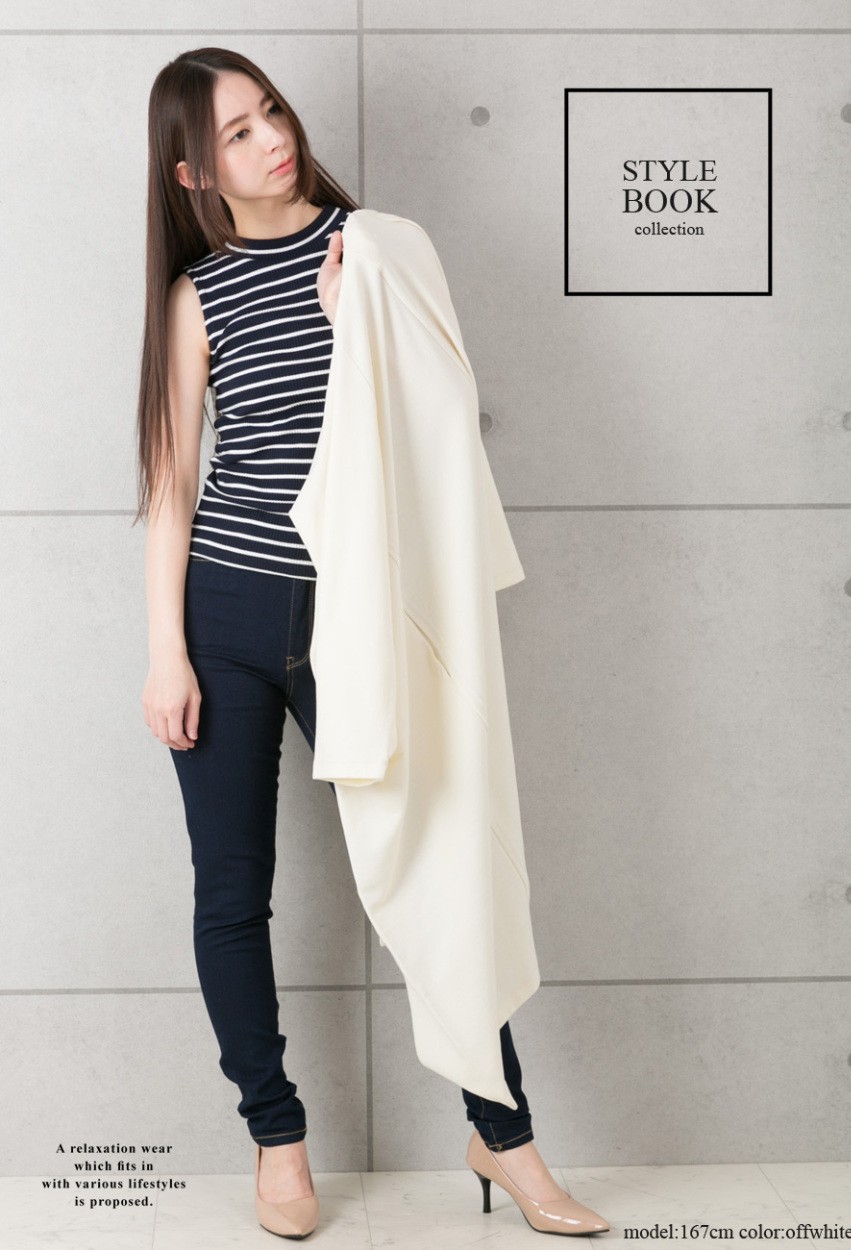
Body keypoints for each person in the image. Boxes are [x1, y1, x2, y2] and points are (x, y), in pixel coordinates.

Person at [135, 46, 609, 1239]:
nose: (273, 140)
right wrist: (166, 650)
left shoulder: (380, 248)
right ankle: (276, 1137)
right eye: (237, 133)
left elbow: (441, 427)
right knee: (230, 891)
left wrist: (355, 328)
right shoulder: (198, 297)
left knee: (441, 865)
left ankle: (504, 1134)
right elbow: (174, 486)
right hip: (229, 612)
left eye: (271, 113)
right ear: (193, 172)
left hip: (363, 610)